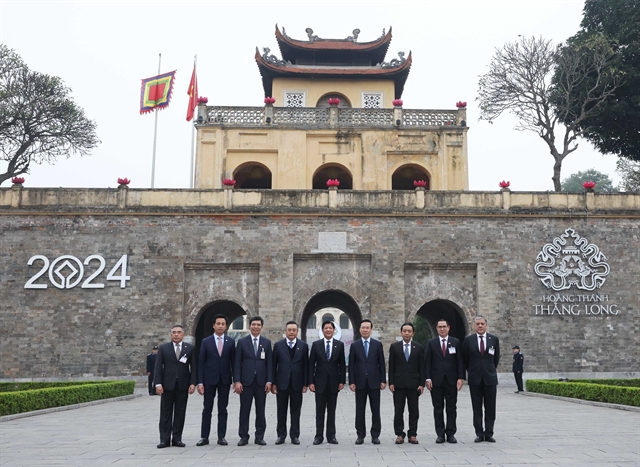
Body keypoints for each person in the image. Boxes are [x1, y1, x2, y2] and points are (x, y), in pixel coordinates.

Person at [154, 325, 197, 448]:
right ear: (170, 334)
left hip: (183, 385)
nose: (176, 334)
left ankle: (177, 439)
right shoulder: (163, 348)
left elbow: (194, 367)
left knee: (180, 412)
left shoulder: (189, 348)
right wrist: (158, 384)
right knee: (165, 413)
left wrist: (193, 383)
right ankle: (164, 439)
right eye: (174, 332)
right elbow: (158, 367)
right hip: (167, 385)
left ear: (183, 334)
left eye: (179, 332)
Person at [196, 314, 235, 447]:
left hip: (224, 379)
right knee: (207, 408)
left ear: (226, 326)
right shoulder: (206, 342)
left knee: (222, 409)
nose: (220, 326)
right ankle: (204, 436)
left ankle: (221, 436)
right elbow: (200, 363)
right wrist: (200, 382)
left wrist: (236, 380)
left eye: (223, 324)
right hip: (209, 380)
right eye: (218, 323)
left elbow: (234, 362)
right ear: (213, 325)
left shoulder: (230, 342)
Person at [233, 315, 273, 446]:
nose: (256, 327)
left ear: (261, 327)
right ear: (250, 326)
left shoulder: (266, 343)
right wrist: (237, 381)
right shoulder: (242, 342)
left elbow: (269, 364)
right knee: (244, 409)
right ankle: (244, 436)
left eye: (258, 325)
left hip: (261, 382)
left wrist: (269, 381)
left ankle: (259, 436)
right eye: (253, 325)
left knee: (260, 410)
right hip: (246, 382)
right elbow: (237, 363)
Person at [425, 318, 464, 444]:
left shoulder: (455, 342)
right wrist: (428, 378)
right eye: (439, 327)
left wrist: (460, 377)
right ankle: (440, 434)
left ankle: (451, 433)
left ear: (448, 328)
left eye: (444, 326)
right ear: (436, 328)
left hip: (451, 380)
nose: (442, 329)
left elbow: (459, 361)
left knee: (451, 408)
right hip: (436, 381)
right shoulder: (431, 343)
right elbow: (428, 362)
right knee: (438, 408)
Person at [462, 316, 500, 443]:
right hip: (475, 379)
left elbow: (495, 359)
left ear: (486, 325)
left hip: (490, 378)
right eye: (477, 324)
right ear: (474, 326)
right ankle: (479, 433)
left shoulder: (493, 339)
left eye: (482, 324)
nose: (480, 326)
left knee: (490, 408)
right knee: (476, 408)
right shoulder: (468, 340)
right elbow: (465, 359)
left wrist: (488, 370)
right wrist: (473, 371)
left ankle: (489, 433)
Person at [348, 319, 386, 445]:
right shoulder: (354, 345)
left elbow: (381, 363)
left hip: (374, 382)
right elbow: (352, 365)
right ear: (359, 329)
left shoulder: (377, 345)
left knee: (375, 410)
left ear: (371, 330)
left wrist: (383, 380)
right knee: (360, 410)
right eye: (363, 327)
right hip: (360, 382)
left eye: (367, 327)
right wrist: (352, 381)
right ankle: (360, 435)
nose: (365, 330)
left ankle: (375, 435)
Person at [308, 320, 346, 445]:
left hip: (334, 383)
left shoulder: (339, 345)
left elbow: (341, 365)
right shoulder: (316, 345)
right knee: (320, 411)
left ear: (334, 330)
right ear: (322, 330)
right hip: (319, 382)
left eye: (330, 328)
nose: (328, 330)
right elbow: (311, 365)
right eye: (326, 328)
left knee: (332, 410)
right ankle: (318, 436)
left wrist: (342, 381)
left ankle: (331, 436)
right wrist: (311, 381)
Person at [272, 321, 309, 445]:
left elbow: (306, 366)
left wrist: (305, 383)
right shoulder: (278, 345)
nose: (292, 332)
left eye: (294, 330)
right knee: (281, 411)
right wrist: (273, 383)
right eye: (289, 330)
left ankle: (294, 435)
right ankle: (281, 435)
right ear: (285, 331)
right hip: (282, 383)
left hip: (297, 384)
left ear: (297, 331)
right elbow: (273, 365)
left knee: (296, 411)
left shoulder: (303, 346)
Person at [388, 322, 425, 445]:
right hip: (398, 384)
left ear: (413, 333)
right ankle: (399, 434)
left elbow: (422, 367)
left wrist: (421, 383)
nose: (407, 333)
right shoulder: (395, 347)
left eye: (409, 331)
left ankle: (412, 434)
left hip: (414, 384)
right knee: (399, 410)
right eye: (405, 331)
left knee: (414, 411)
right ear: (401, 332)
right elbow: (391, 366)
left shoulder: (418, 347)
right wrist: (391, 382)